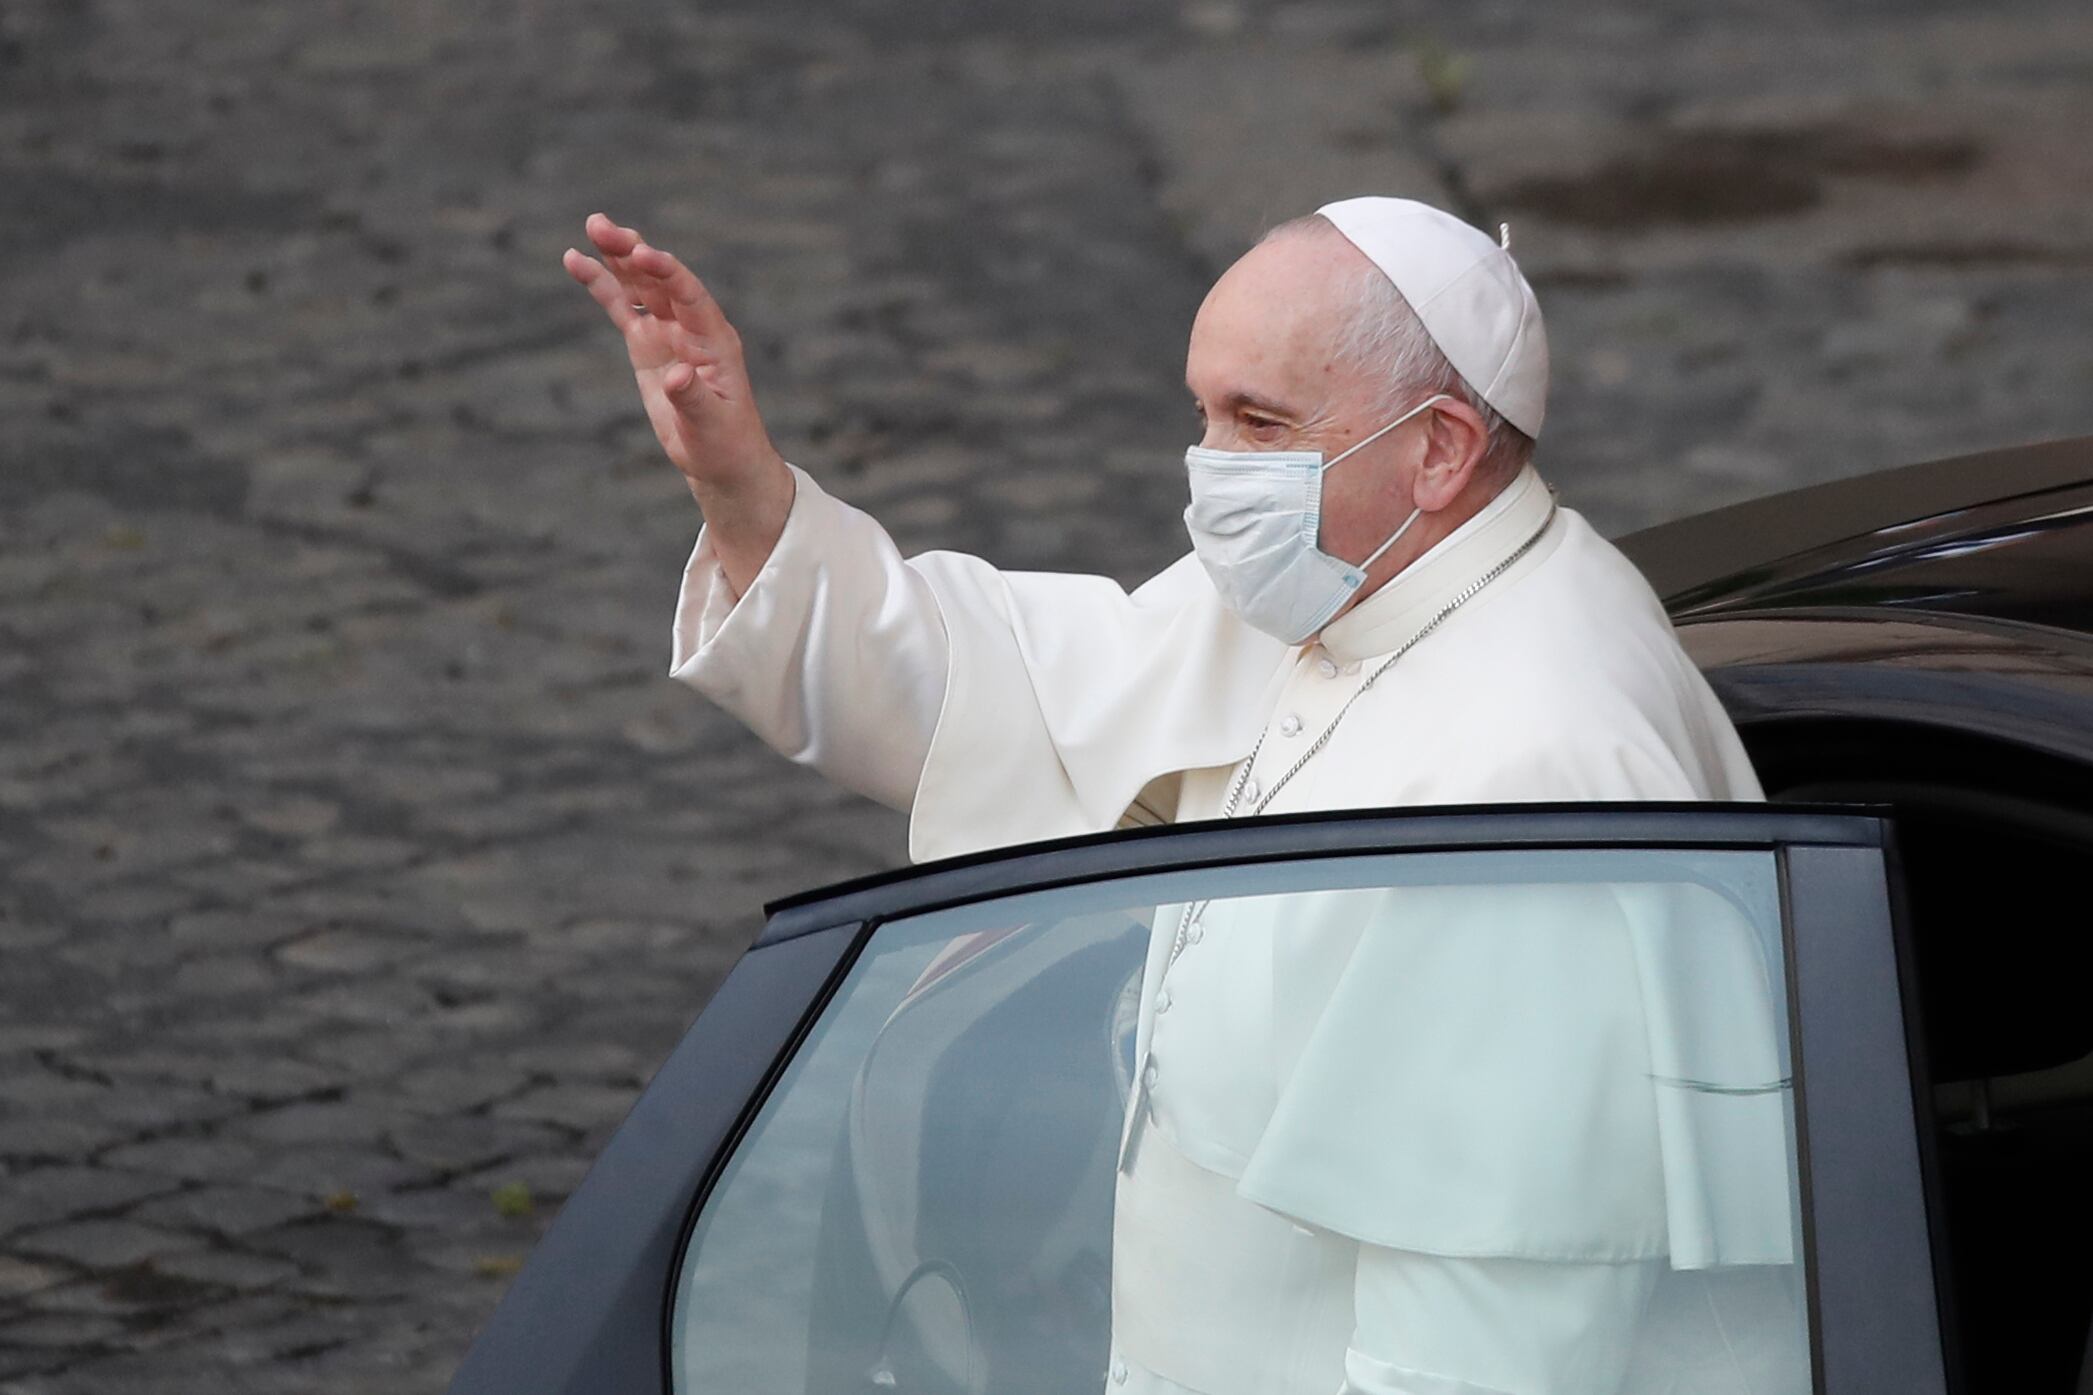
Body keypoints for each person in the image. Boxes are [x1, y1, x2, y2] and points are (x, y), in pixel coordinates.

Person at [563, 198, 1791, 1395]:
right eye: (1201, 413)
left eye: (1256, 421)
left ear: (1436, 450)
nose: (1209, 469)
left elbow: (1487, 1341)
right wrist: (742, 486)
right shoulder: (1343, 581)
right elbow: (1003, 703)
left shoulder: (1527, 783)